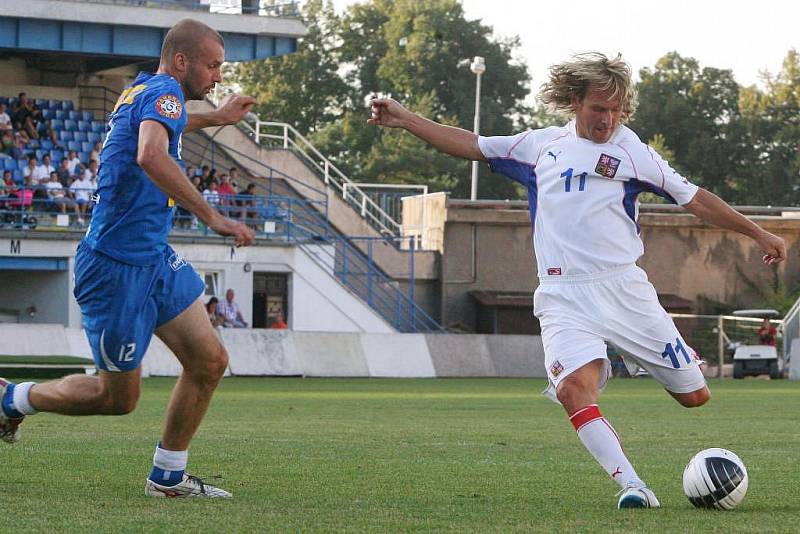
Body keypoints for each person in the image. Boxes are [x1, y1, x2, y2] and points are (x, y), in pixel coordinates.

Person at [367, 52, 787, 509]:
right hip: (563, 295)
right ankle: (633, 486)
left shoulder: (634, 153)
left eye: (615, 110)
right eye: (598, 109)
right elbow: (472, 144)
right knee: (572, 389)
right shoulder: (540, 147)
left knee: (695, 397)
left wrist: (758, 231)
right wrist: (407, 119)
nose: (607, 119)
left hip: (624, 290)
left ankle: (658, 356)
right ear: (574, 103)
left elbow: (696, 199)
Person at [0, 18, 256, 499]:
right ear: (181, 61)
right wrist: (212, 216)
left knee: (209, 360)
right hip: (115, 267)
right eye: (213, 65)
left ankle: (167, 477)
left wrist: (217, 117)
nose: (218, 76)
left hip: (153, 258)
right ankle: (12, 398)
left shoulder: (149, 92)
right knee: (116, 398)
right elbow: (151, 155)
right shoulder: (165, 92)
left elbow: (166, 126)